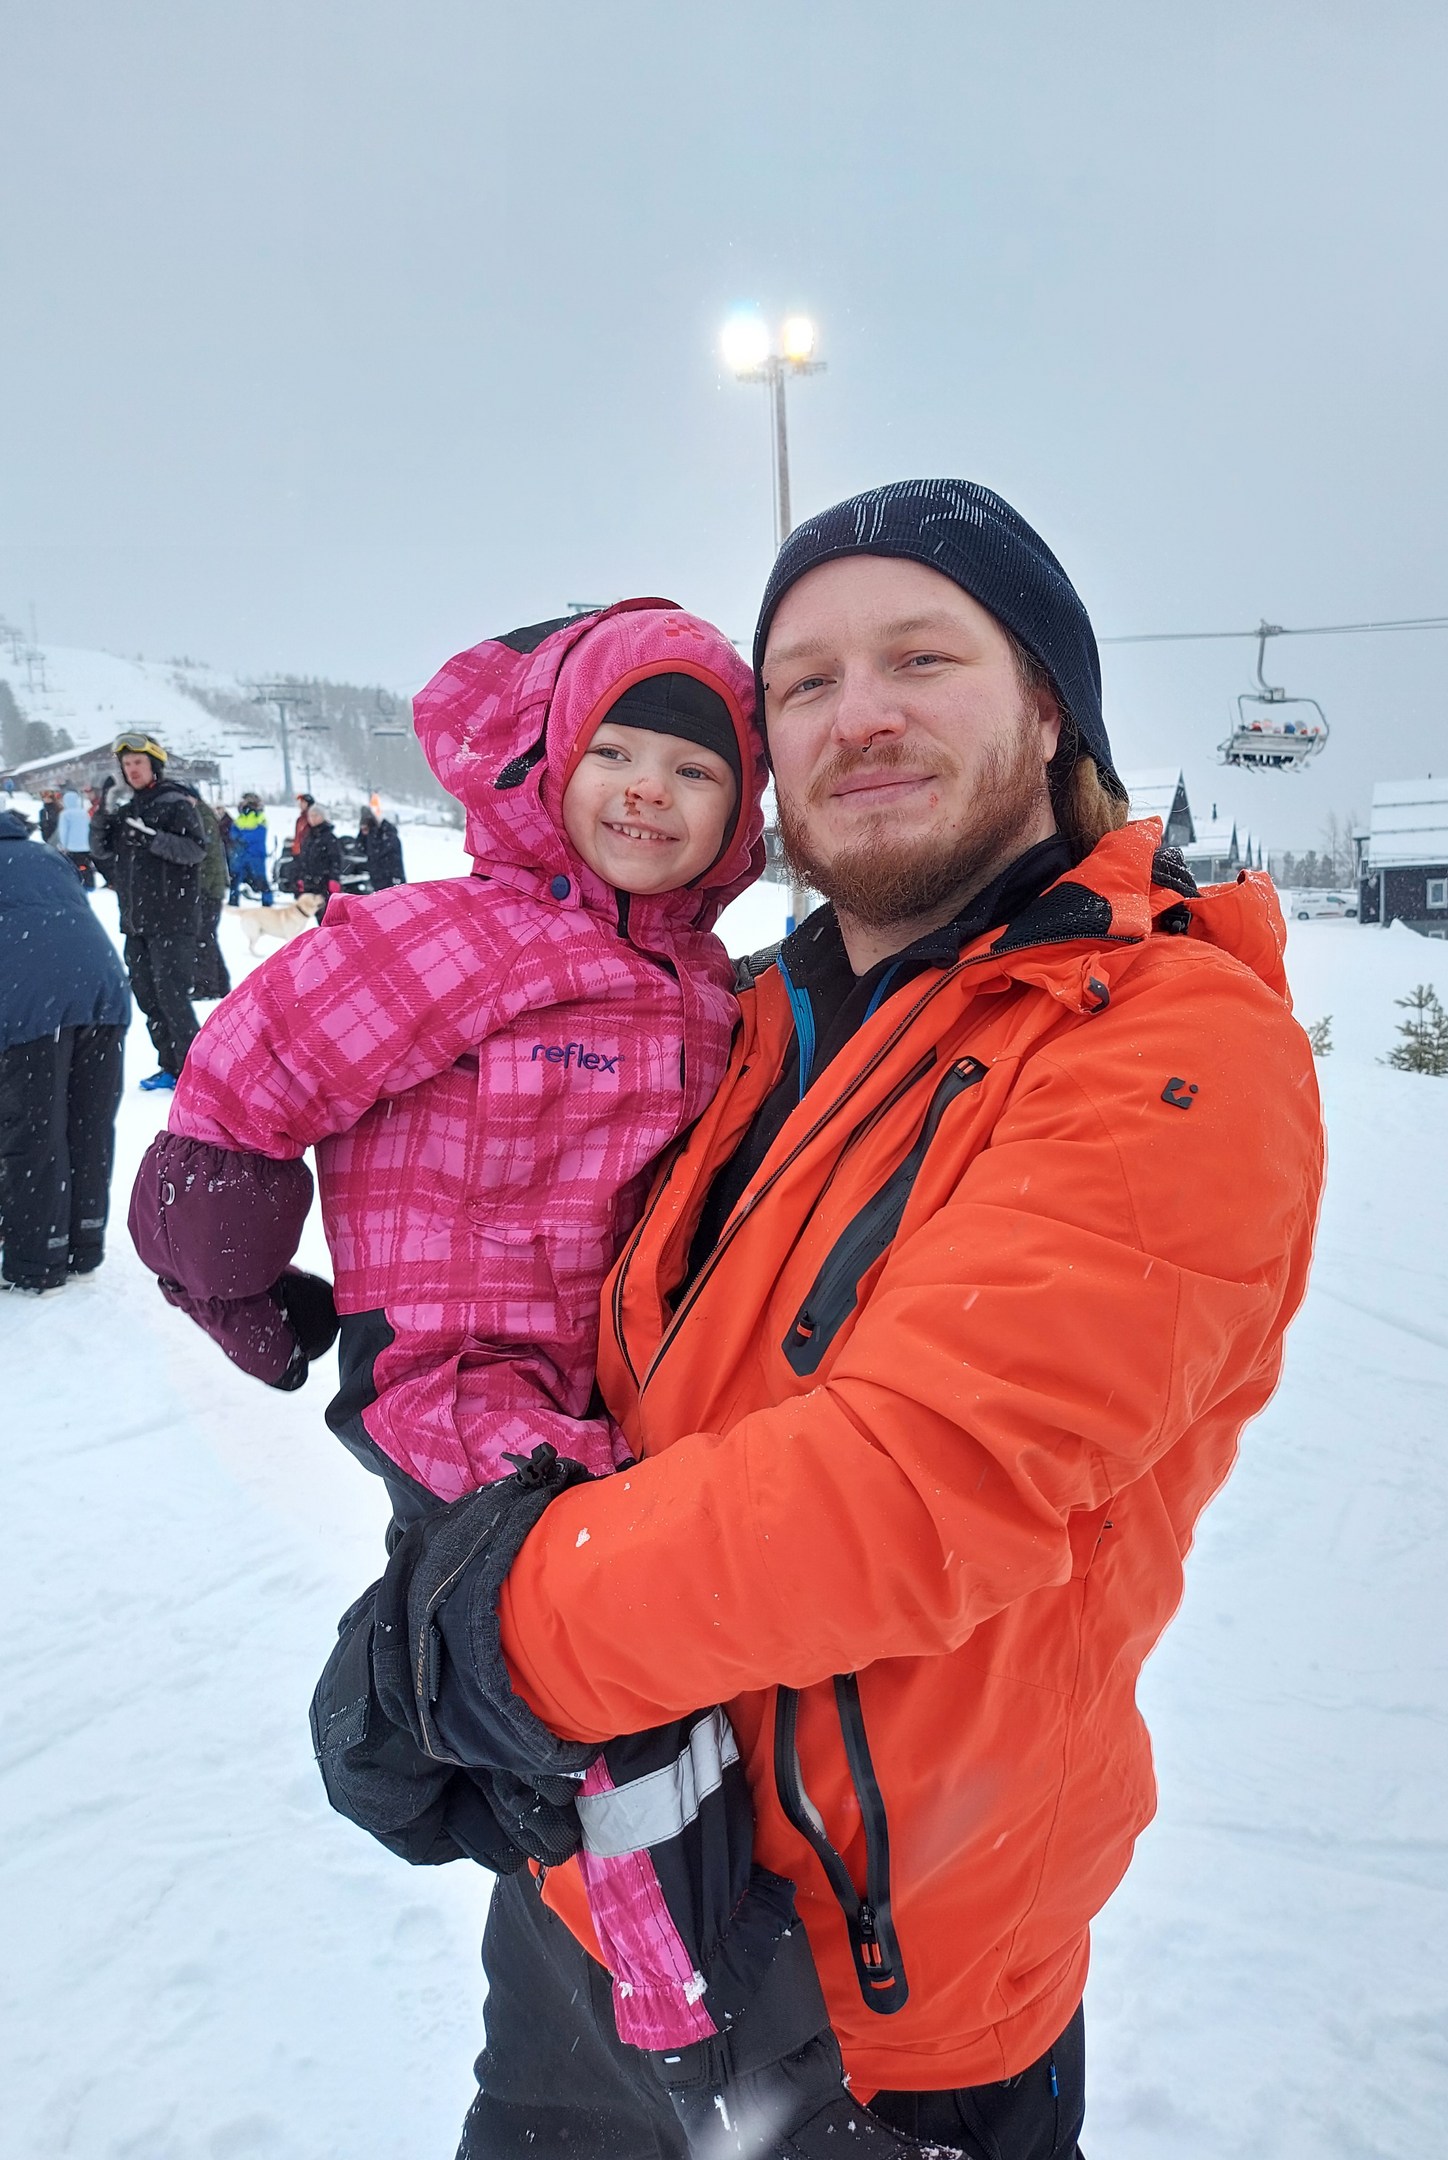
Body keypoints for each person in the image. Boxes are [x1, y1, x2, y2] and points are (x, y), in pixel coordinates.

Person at [333, 481, 1326, 2160]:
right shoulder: (742, 1021)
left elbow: (920, 1483)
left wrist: (481, 1639)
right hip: (596, 1891)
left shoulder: (1166, 1042)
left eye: (920, 658)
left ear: (1050, 708)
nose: (857, 715)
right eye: (804, 682)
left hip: (875, 2013)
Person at [130, 603, 922, 2154]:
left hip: (627, 1397)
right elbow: (246, 1079)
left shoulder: (711, 990)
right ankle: (704, 2051)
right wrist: (237, 1286)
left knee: (662, 1654)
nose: (647, 792)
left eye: (694, 771)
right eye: (615, 753)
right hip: (465, 1388)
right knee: (622, 1711)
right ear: (547, 764)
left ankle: (481, 1779)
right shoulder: (443, 939)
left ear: (740, 812)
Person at [0, 808, 130, 1291]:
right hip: (100, 989)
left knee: (34, 1129)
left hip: (30, 1000)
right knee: (87, 1123)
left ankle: (36, 1259)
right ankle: (82, 1241)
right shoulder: (44, 855)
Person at [89, 731, 207, 1093]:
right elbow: (100, 851)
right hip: (136, 921)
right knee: (148, 997)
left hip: (172, 919)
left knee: (172, 997)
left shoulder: (175, 802)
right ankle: (170, 1065)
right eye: (127, 764)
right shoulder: (128, 809)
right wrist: (103, 812)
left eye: (138, 762)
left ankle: (197, 1071)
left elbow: (195, 850)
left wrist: (153, 839)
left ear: (154, 764)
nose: (132, 769)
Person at [190, 796, 232, 1001]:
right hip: (210, 889)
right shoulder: (203, 815)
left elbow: (207, 857)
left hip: (207, 890)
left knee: (202, 937)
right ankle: (220, 984)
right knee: (207, 937)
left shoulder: (202, 817)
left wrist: (201, 887)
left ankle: (207, 985)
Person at [292, 802, 344, 919]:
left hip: (325, 882)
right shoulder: (308, 837)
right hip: (310, 883)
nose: (313, 818)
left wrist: (334, 879)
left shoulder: (329, 838)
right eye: (311, 816)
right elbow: (302, 860)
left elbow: (335, 859)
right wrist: (300, 877)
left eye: (316, 815)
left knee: (329, 915)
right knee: (318, 916)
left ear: (323, 817)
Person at [230, 793, 274, 904]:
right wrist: (239, 837)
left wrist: (242, 837)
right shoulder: (240, 818)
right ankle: (233, 901)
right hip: (241, 853)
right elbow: (233, 831)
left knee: (260, 878)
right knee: (235, 878)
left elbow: (259, 833)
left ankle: (267, 902)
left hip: (255, 853)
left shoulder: (260, 817)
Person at [357, 802, 406, 888]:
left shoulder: (386, 837)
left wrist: (397, 878)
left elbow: (395, 860)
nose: (364, 832)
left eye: (365, 829)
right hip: (379, 878)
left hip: (388, 879)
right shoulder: (373, 836)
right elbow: (361, 848)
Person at [56, 786, 96, 887]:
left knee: (74, 866)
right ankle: (89, 882)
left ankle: (77, 883)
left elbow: (64, 831)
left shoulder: (65, 814)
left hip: (72, 846)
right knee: (86, 864)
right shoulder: (84, 813)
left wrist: (63, 845)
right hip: (86, 846)